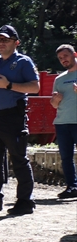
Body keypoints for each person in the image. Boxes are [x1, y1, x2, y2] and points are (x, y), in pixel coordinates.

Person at [0, 25, 40, 215]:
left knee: (19, 159)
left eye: (6, 40)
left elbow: (35, 87)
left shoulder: (23, 62)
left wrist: (9, 85)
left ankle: (25, 201)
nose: (1, 43)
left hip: (12, 117)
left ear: (16, 42)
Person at [50, 44, 77, 199]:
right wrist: (56, 100)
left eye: (66, 56)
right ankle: (72, 187)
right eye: (60, 58)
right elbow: (54, 104)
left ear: (74, 54)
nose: (63, 60)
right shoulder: (59, 79)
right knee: (66, 157)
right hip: (62, 122)